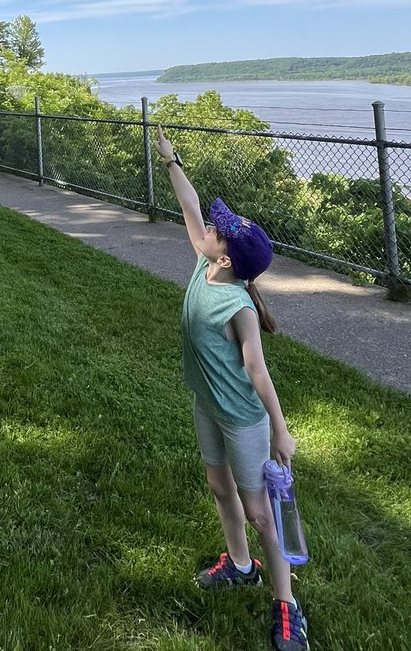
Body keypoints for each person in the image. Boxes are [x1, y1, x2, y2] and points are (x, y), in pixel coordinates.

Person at [154, 126, 308, 651]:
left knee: (261, 512)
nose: (208, 231)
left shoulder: (239, 307)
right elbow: (191, 203)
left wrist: (281, 434)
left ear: (225, 257)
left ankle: (287, 605)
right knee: (220, 490)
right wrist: (172, 161)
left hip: (244, 420)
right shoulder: (206, 261)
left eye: (217, 233)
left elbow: (259, 374)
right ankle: (241, 565)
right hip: (207, 406)